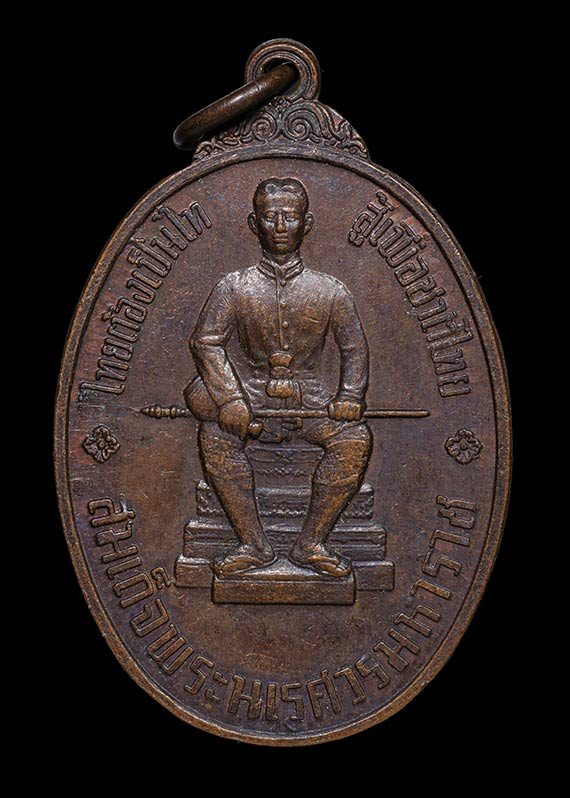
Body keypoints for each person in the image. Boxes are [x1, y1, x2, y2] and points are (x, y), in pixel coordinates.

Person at [189, 177, 371, 578]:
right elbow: (206, 342)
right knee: (214, 436)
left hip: (313, 403)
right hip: (251, 399)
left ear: (307, 224)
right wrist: (230, 399)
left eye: (290, 216)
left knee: (355, 440)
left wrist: (350, 396)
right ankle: (253, 544)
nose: (280, 226)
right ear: (254, 224)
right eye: (270, 217)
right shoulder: (233, 287)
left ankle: (311, 543)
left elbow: (354, 348)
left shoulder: (331, 290)